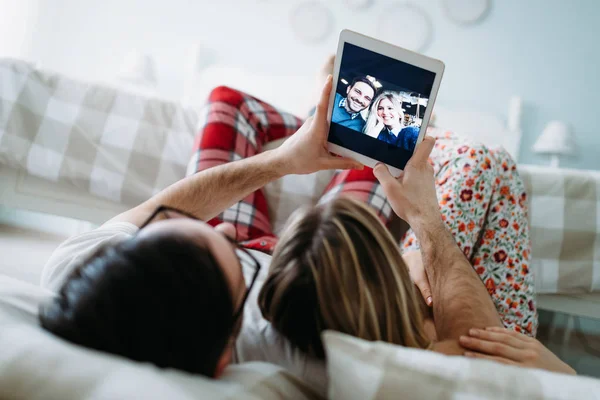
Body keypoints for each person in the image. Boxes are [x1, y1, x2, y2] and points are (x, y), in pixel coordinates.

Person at [38, 75, 363, 378]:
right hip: (310, 267)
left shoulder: (77, 269)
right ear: (224, 354)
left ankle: (318, 123)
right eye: (238, 263)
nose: (228, 231)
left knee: (228, 101)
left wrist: (283, 161)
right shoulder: (286, 352)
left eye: (173, 225)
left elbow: (158, 209)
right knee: (374, 164)